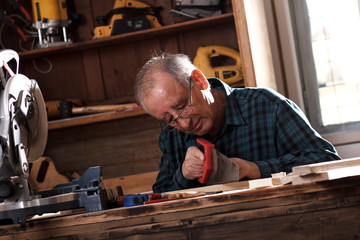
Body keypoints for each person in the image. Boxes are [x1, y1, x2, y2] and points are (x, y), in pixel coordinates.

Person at [135, 52, 341, 193]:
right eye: (169, 119)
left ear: (200, 81)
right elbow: (159, 197)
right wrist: (184, 175)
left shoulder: (267, 106)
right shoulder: (171, 137)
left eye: (181, 106)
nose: (184, 124)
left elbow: (327, 161)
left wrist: (256, 169)